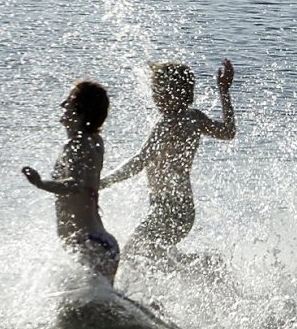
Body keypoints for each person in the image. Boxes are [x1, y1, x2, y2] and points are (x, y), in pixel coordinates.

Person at [100, 58, 236, 260]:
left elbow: (140, 160)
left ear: (175, 93)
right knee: (154, 256)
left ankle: (206, 266)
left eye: (158, 91)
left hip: (168, 208)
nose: (154, 97)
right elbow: (228, 131)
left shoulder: (167, 124)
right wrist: (224, 92)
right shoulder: (194, 117)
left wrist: (103, 182)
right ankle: (203, 266)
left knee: (132, 253)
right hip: (183, 208)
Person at [21, 80, 119, 284]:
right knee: (105, 306)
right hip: (102, 243)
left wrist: (41, 184)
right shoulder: (94, 141)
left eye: (68, 101)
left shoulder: (78, 143)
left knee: (92, 305)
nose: (62, 105)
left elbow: (76, 185)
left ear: (80, 111)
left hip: (88, 244)